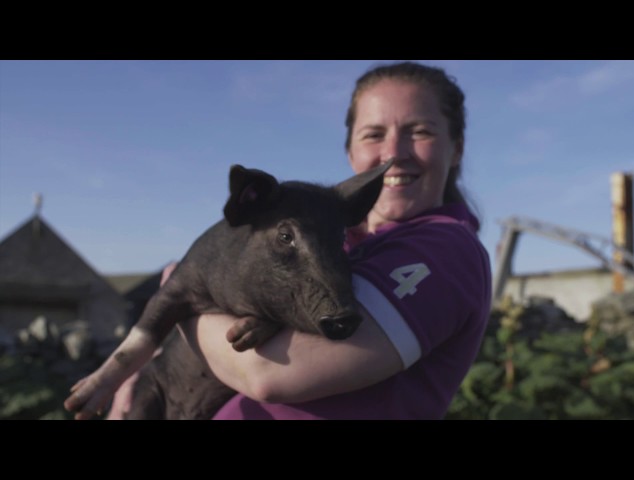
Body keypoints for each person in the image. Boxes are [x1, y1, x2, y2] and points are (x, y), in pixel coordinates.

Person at [109, 60, 492, 420]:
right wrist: (143, 376)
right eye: (374, 134)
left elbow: (268, 374)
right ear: (350, 152)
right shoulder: (332, 243)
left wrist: (178, 295)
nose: (392, 152)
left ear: (456, 147)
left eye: (420, 131)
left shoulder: (444, 251)